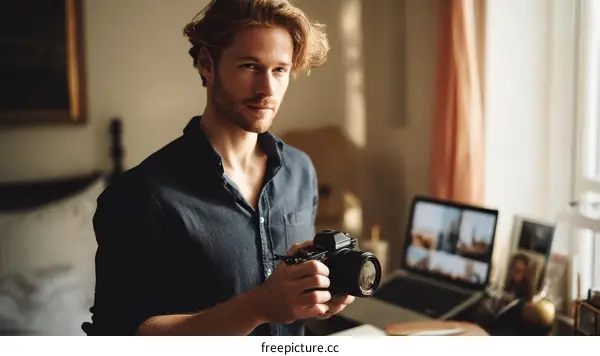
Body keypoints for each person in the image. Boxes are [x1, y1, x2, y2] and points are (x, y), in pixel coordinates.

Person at [83, 0, 355, 336]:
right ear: (206, 65)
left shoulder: (300, 170)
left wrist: (314, 298)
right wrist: (258, 306)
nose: (267, 89)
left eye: (279, 70)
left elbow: (290, 312)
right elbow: (122, 336)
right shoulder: (140, 195)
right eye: (250, 67)